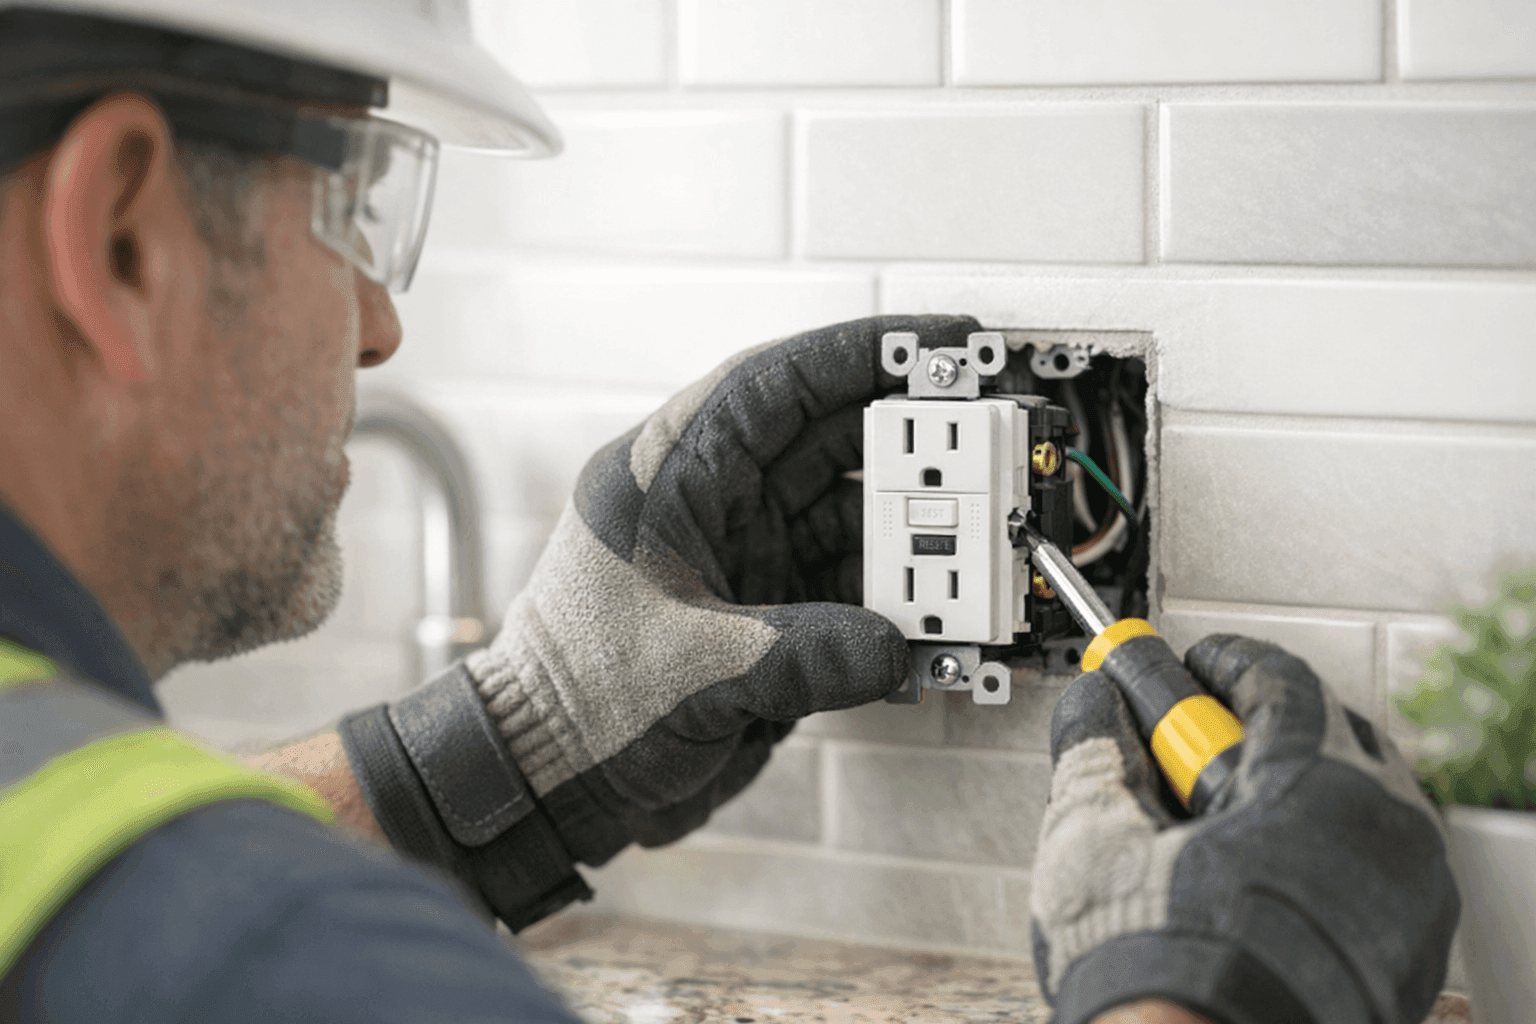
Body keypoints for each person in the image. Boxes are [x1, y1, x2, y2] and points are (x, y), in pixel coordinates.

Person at [0, 3, 1458, 1022]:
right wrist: (1203, 1000)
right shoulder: (290, 962)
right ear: (121, 234)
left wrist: (510, 748)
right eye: (356, 205)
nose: (379, 326)